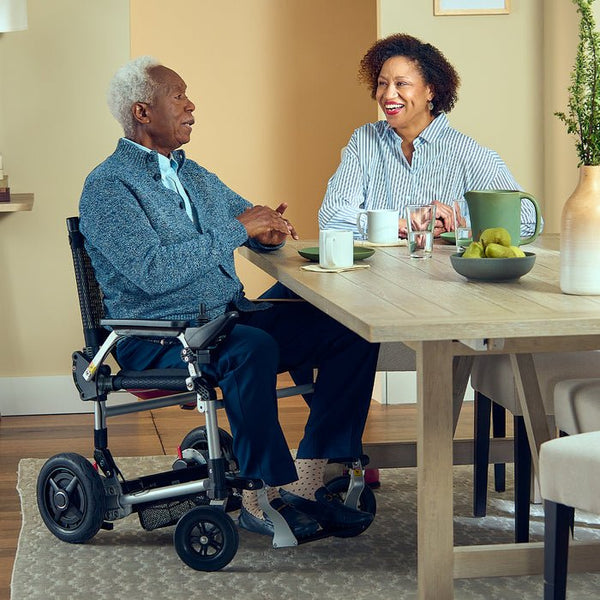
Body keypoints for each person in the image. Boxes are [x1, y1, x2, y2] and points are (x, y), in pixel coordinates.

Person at [79, 56, 378, 539]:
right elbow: (152, 273)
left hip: (224, 321)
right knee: (250, 349)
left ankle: (308, 479)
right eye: (178, 96)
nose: (191, 105)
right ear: (141, 111)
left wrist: (269, 232)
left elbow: (246, 217)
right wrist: (239, 229)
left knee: (350, 322)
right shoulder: (108, 187)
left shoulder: (190, 172)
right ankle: (260, 499)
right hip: (155, 336)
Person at [318, 33, 539, 239]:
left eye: (401, 84)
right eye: (382, 84)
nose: (388, 94)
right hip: (371, 276)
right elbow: (330, 217)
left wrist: (463, 231)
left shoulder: (466, 152)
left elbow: (529, 222)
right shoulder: (365, 141)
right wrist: (404, 224)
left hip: (440, 278)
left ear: (430, 91)